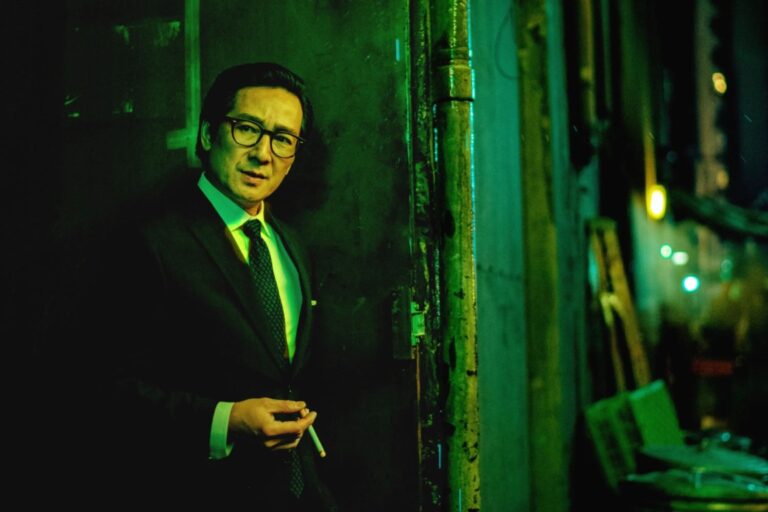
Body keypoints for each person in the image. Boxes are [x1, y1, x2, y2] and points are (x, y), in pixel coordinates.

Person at [61, 62, 336, 509]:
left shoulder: (290, 244)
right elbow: (101, 390)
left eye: (283, 139)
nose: (263, 154)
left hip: (297, 494)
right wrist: (226, 420)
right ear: (209, 134)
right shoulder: (148, 243)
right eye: (247, 129)